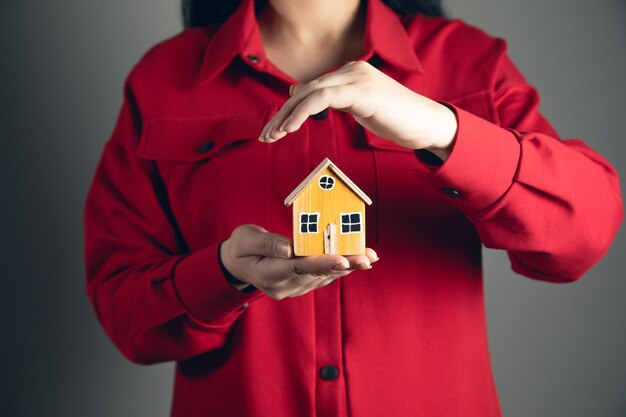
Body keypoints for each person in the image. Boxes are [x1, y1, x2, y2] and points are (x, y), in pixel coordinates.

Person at [83, 0, 623, 415]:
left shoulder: (470, 61)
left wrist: (440, 127)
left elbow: (583, 233)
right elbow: (125, 311)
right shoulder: (162, 81)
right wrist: (223, 273)